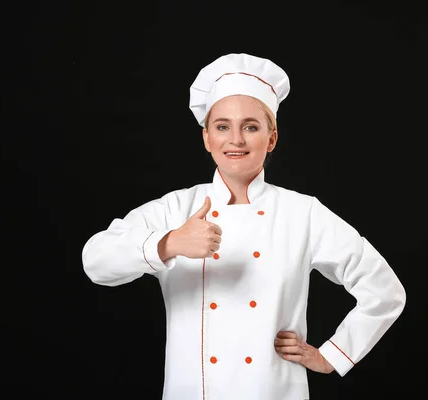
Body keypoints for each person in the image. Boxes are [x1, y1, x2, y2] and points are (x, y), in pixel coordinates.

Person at [82, 53, 406, 400]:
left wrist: (332, 355)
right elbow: (95, 261)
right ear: (207, 138)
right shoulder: (176, 209)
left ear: (271, 139)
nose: (235, 139)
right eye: (222, 127)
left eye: (250, 126)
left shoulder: (302, 213)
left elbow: (384, 290)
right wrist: (170, 243)